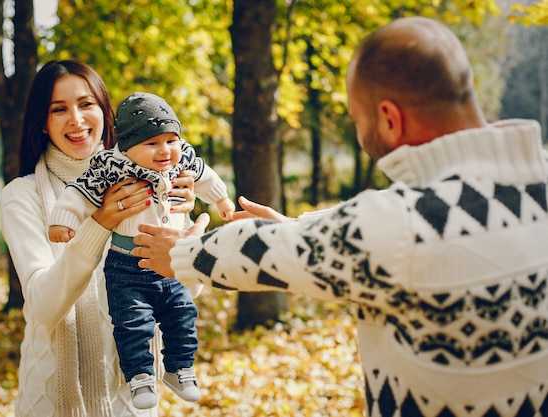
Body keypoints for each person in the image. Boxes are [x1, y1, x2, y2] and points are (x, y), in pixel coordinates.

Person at [131, 16, 548, 417]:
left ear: (388, 118)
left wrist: (186, 254)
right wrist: (295, 229)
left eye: (356, 119)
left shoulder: (404, 223)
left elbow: (269, 252)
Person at [0, 59, 197, 417]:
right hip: (53, 401)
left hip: (132, 397)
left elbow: (188, 290)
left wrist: (183, 227)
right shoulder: (21, 196)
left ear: (106, 113)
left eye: (86, 104)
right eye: (59, 109)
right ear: (42, 123)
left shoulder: (155, 179)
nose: (75, 120)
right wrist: (100, 222)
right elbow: (45, 306)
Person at [47, 91, 235, 409]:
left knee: (182, 315)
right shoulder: (112, 166)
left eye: (171, 140)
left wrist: (221, 199)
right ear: (128, 146)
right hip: (127, 265)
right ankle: (140, 377)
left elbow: (205, 175)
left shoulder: (181, 159)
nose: (165, 151)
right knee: (133, 323)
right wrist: (63, 219)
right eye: (152, 144)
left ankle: (180, 368)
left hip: (170, 260)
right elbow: (79, 191)